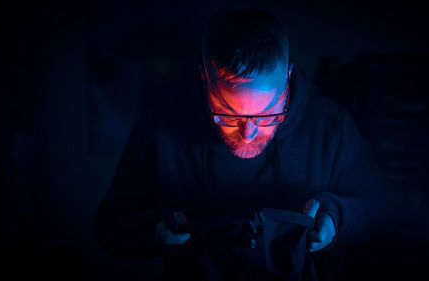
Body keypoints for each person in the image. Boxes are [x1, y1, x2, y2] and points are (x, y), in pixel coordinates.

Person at [93, 9, 395, 281]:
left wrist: (337, 218)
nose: (248, 133)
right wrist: (153, 230)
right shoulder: (158, 131)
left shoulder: (331, 128)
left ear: (287, 76)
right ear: (204, 79)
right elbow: (109, 227)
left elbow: (383, 207)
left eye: (267, 113)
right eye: (227, 113)